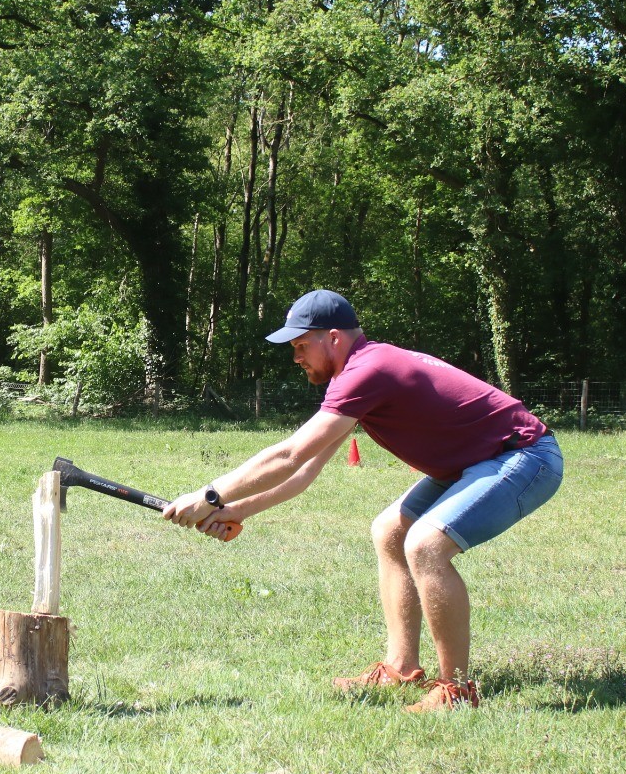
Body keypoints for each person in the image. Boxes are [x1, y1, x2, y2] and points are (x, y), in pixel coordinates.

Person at [163, 290, 562, 712]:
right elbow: (304, 471)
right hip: (474, 463)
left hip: (524, 456)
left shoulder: (368, 370)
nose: (296, 357)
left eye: (302, 346)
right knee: (390, 532)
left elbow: (290, 453)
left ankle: (456, 690)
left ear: (334, 338)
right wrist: (233, 510)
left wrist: (210, 494)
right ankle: (400, 666)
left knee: (425, 546)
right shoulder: (354, 375)